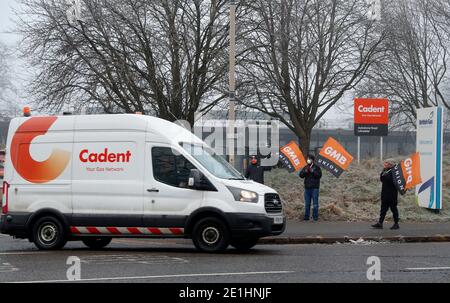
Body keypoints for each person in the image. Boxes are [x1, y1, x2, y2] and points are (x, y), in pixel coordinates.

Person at [372, 159, 400, 230]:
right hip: (384, 194)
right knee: (383, 209)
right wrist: (383, 172)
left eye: (386, 163)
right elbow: (382, 179)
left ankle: (396, 224)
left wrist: (385, 174)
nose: (385, 164)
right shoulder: (385, 171)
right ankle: (380, 223)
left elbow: (391, 180)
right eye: (385, 163)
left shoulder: (394, 172)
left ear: (390, 164)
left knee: (394, 209)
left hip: (392, 195)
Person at [299, 155, 322, 221]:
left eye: (309, 159)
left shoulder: (317, 167)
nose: (308, 160)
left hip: (314, 188)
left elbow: (319, 175)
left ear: (312, 160)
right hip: (307, 188)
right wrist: (305, 171)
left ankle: (315, 217)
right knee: (307, 204)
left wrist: (312, 171)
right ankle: (306, 217)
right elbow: (301, 175)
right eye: (307, 159)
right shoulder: (305, 167)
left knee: (315, 204)